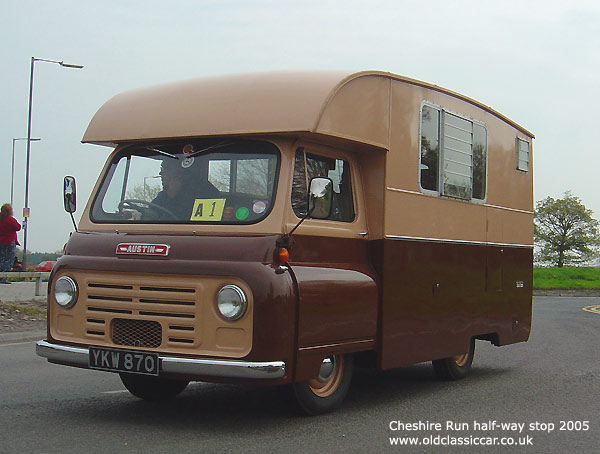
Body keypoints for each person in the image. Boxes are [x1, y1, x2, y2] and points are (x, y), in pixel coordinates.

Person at [151, 157, 220, 219]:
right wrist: (170, 194)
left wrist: (172, 195)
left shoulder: (204, 190)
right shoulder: (165, 195)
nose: (160, 173)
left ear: (179, 172)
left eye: (164, 168)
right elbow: (153, 212)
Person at [0, 204, 21, 284]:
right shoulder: (10, 220)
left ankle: (0, 276)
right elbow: (18, 227)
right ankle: (4, 278)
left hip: (0, 242)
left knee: (1, 259)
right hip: (9, 242)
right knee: (8, 260)